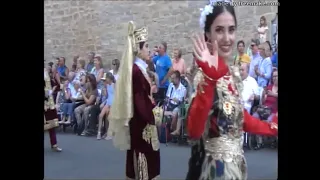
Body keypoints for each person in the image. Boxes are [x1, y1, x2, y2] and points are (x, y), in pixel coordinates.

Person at [186, 1, 278, 180]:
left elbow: (240, 119)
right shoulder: (203, 75)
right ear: (208, 34)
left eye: (231, 29)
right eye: (219, 30)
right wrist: (210, 80)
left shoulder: (232, 74)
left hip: (235, 167)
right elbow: (194, 131)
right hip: (215, 169)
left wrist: (272, 126)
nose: (227, 38)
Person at [109, 21, 160, 180]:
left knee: (147, 152)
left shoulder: (141, 69)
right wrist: (153, 113)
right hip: (141, 121)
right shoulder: (136, 71)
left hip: (143, 119)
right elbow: (139, 99)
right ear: (138, 50)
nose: (149, 50)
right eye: (146, 47)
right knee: (143, 152)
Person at [44, 67, 62, 152]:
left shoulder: (46, 72)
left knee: (51, 125)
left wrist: (50, 91)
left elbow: (52, 84)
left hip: (49, 102)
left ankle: (54, 144)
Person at [97, 72, 115, 140]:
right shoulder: (107, 86)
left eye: (106, 78)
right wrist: (104, 101)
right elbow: (107, 96)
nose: (105, 80)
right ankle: (99, 133)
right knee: (101, 116)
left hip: (113, 104)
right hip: (108, 103)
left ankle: (109, 133)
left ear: (109, 79)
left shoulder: (114, 85)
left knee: (108, 116)